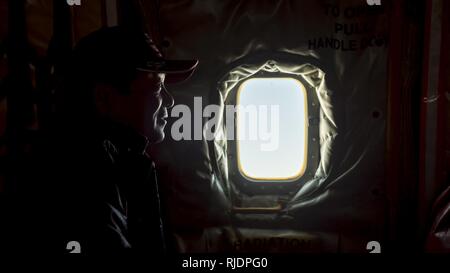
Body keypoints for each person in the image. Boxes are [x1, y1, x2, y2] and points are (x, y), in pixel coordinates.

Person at [35, 26, 198, 254]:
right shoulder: (84, 171)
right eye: (158, 88)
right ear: (104, 98)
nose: (170, 102)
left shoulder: (117, 160)